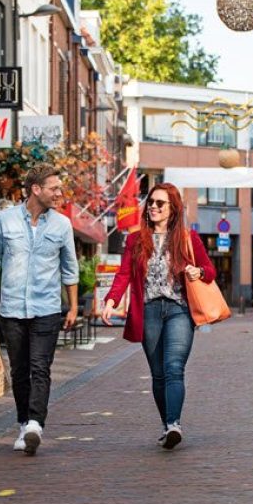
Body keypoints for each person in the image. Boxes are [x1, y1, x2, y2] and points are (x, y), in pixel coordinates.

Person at [0, 163, 79, 456]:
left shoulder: (62, 225)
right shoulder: (4, 221)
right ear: (36, 190)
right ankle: (23, 423)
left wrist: (73, 307)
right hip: (12, 310)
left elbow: (70, 269)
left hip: (47, 309)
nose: (59, 193)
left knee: (39, 367)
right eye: (54, 188)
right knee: (19, 371)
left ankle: (35, 424)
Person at [101, 183, 215, 450]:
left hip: (179, 311)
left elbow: (210, 270)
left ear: (172, 209)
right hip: (149, 311)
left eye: (160, 203)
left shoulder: (188, 238)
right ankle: (167, 425)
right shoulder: (135, 240)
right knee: (158, 374)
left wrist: (198, 272)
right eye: (151, 202)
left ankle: (174, 423)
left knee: (174, 368)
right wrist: (111, 300)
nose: (153, 206)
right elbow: (124, 275)